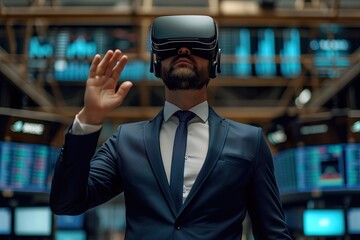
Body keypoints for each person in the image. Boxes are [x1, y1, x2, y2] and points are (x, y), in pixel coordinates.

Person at [50, 15, 292, 239]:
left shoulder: (249, 141)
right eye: (171, 48)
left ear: (214, 61)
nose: (183, 52)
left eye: (196, 47)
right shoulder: (127, 141)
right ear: (156, 62)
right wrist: (89, 118)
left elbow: (272, 234)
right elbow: (66, 202)